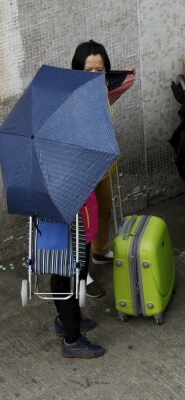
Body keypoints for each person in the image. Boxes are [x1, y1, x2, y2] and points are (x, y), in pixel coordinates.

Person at [71, 40, 135, 298]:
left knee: (105, 210)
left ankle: (100, 251)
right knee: (85, 224)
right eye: (89, 70)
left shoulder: (103, 89)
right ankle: (82, 274)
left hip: (104, 167)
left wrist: (125, 73)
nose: (95, 75)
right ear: (77, 70)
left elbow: (126, 83)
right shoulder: (73, 98)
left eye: (100, 69)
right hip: (83, 172)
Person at [51, 193, 104, 358]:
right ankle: (72, 340)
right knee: (70, 283)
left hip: (70, 224)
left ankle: (67, 321)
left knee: (64, 278)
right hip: (74, 227)